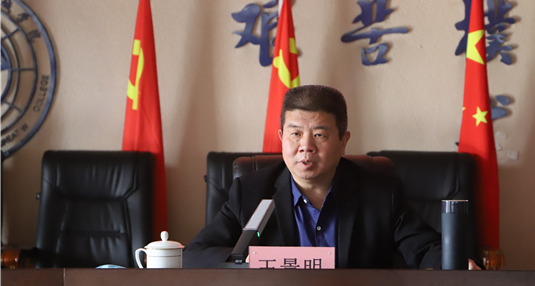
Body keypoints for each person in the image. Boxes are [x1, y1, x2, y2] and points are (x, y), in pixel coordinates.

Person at [184, 85, 479, 269]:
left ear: (343, 141)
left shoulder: (379, 193)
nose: (305, 147)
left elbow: (423, 247)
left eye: (320, 135)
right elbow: (196, 254)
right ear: (281, 138)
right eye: (295, 134)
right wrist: (245, 261)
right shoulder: (250, 191)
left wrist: (455, 264)